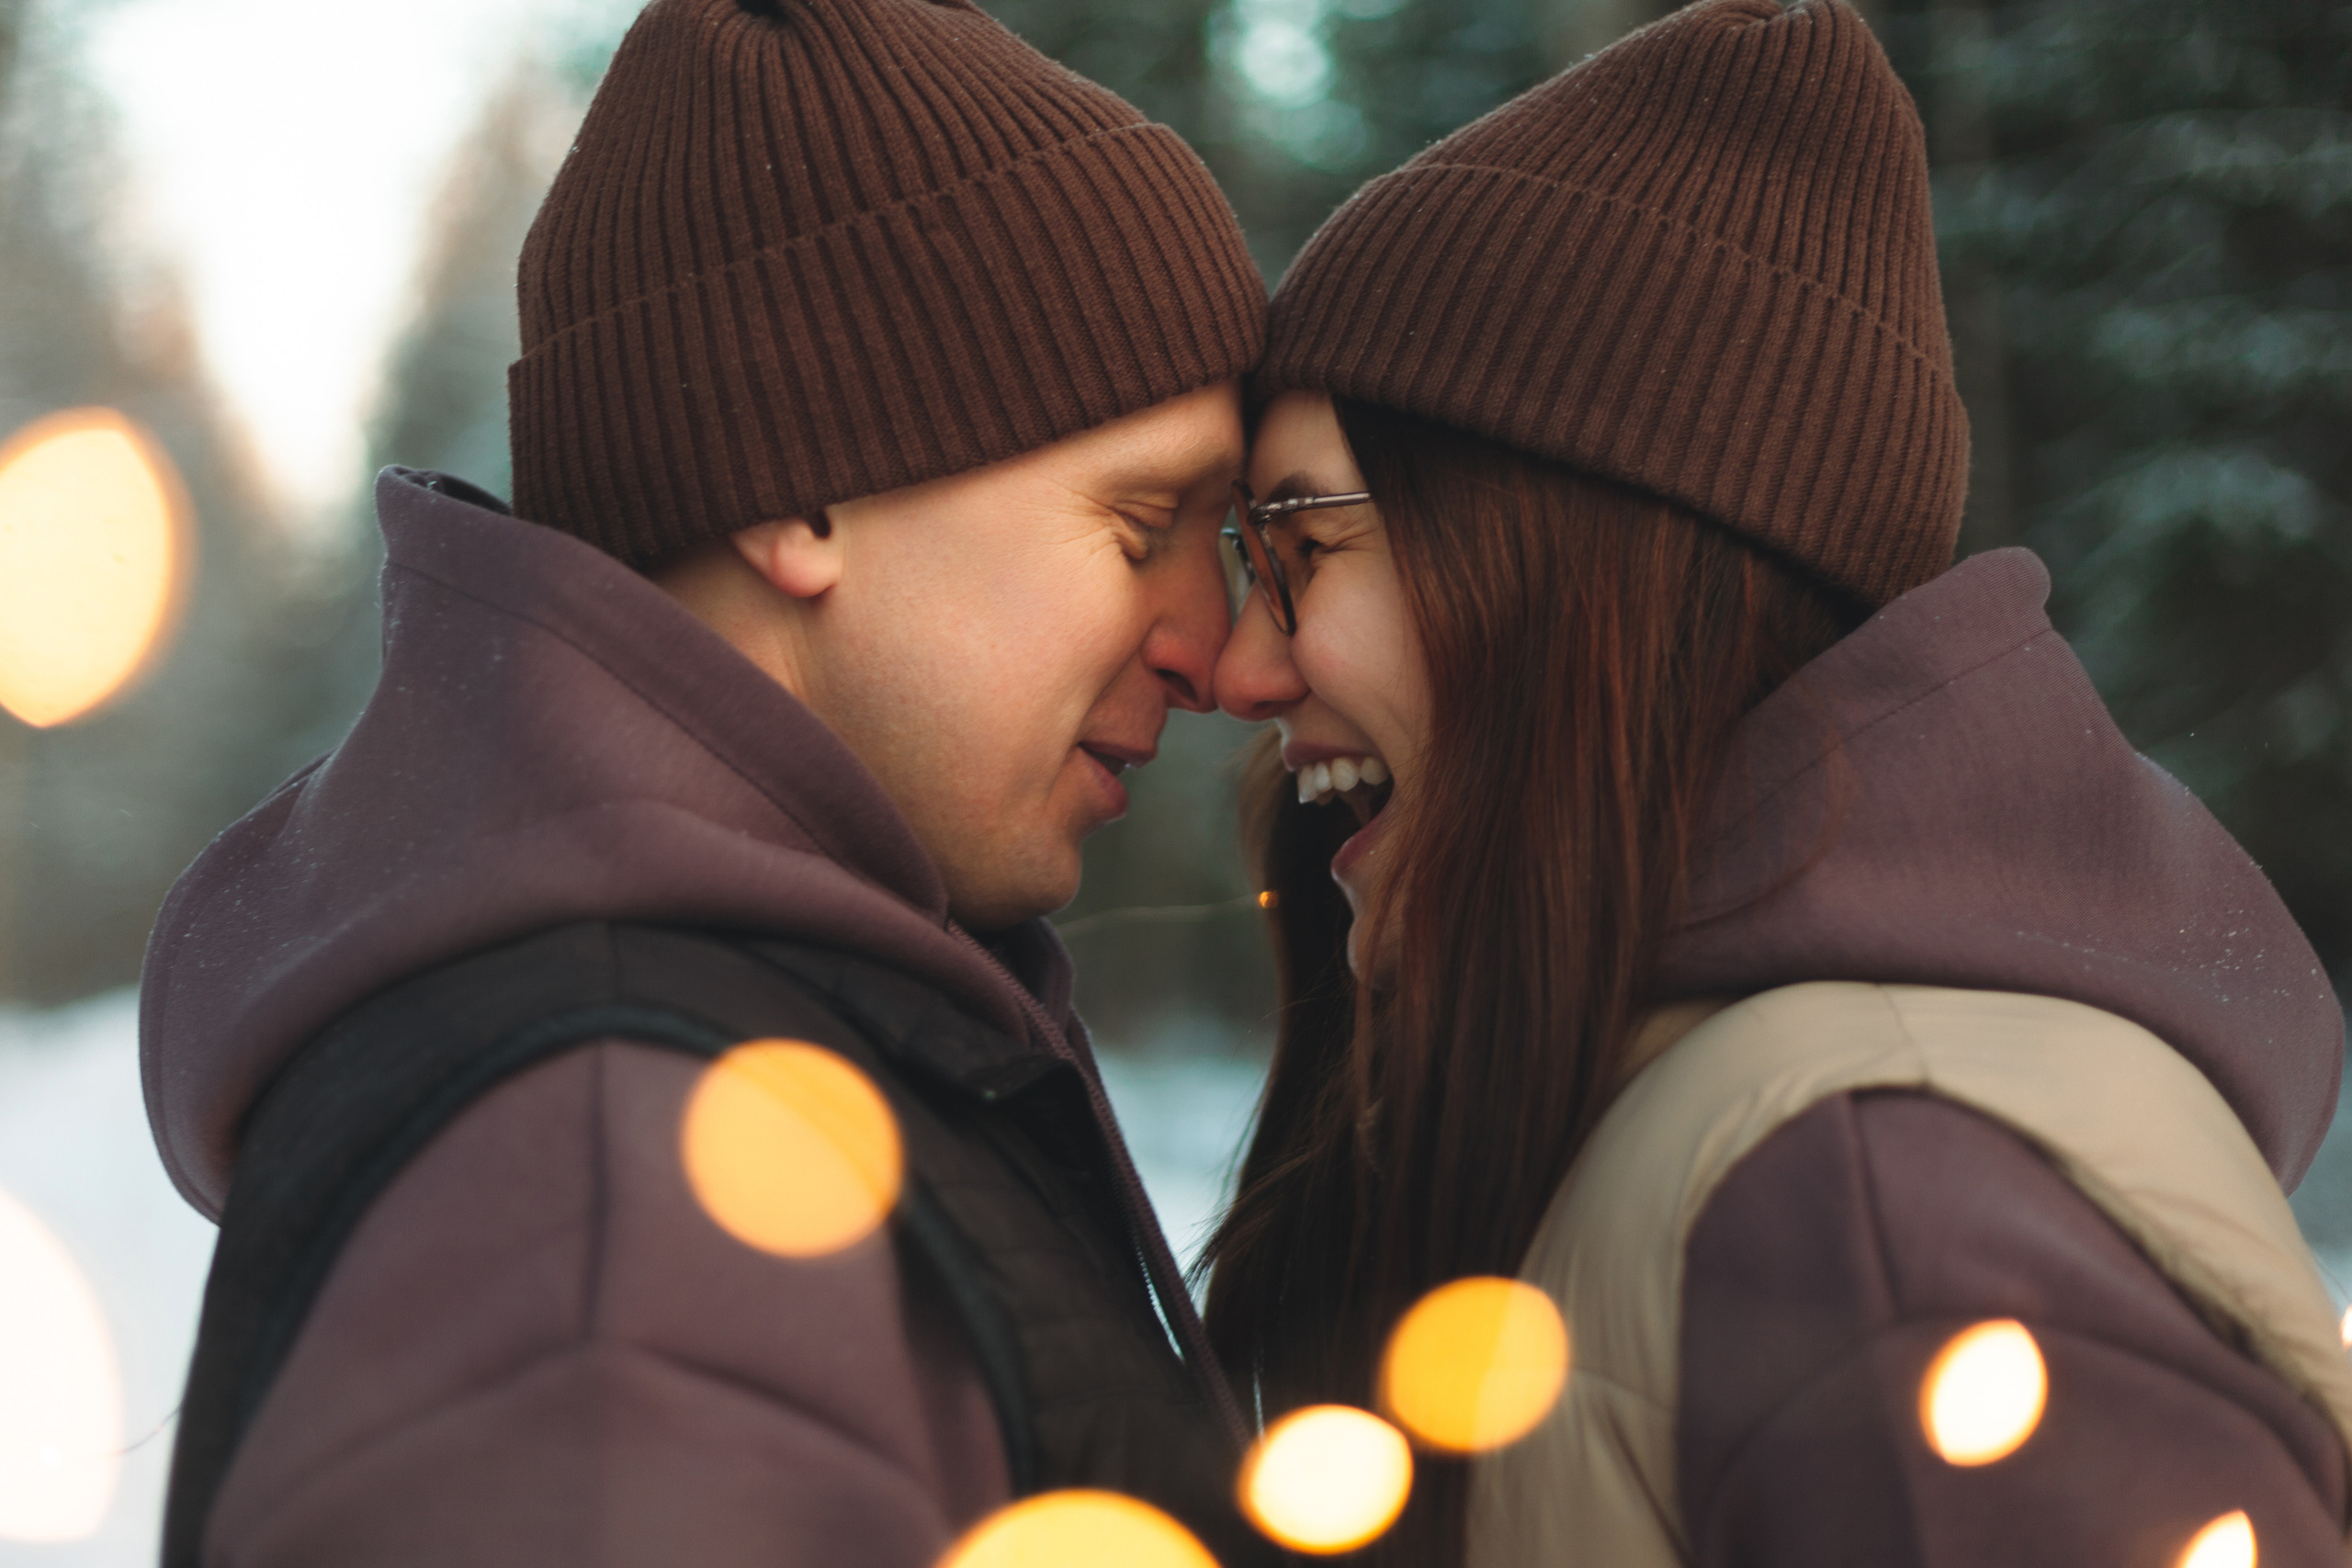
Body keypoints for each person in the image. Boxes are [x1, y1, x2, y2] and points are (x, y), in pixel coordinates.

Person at [1204, 2, 2352, 1563]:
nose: (1237, 669)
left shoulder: (1875, 1208)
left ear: (1579, 565)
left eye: (1300, 546)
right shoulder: (1717, 1124)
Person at [138, 1, 1276, 1564]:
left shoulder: (752, 1070)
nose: (1212, 650)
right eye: (1145, 524)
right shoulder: (618, 1212)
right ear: (802, 484)